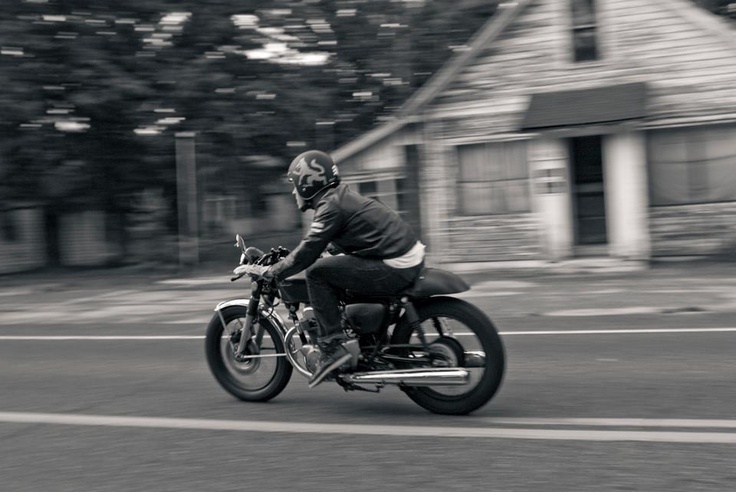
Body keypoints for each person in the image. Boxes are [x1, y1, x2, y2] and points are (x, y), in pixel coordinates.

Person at [239, 150, 425, 387]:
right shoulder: (338, 198)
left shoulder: (330, 206)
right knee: (334, 272)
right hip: (404, 257)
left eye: (295, 185)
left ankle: (333, 348)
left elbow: (308, 253)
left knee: (317, 272)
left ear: (308, 183)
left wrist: (271, 271)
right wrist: (295, 257)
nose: (294, 191)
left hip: (397, 264)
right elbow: (330, 243)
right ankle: (370, 342)